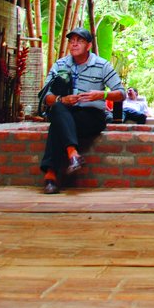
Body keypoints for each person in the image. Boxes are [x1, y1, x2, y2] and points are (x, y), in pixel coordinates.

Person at [38, 27, 124, 194]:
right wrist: (62, 99)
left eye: (80, 41)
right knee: (58, 109)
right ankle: (72, 155)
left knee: (57, 124)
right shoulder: (60, 64)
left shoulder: (102, 65)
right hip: (66, 113)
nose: (74, 44)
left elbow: (121, 94)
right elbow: (45, 96)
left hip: (91, 117)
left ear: (89, 45)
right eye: (72, 41)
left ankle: (50, 175)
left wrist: (101, 94)